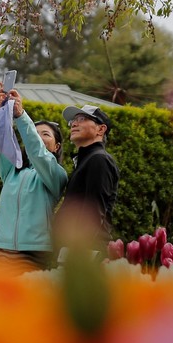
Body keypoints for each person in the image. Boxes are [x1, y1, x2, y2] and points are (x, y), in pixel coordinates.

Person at [0, 87, 68, 272]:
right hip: (0, 251)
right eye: (35, 133)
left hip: (33, 253)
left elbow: (38, 153)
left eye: (45, 134)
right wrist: (3, 113)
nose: (38, 138)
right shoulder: (11, 172)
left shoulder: (56, 175)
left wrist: (21, 116)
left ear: (56, 146)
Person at [59, 104, 119, 244]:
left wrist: (77, 253)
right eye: (73, 121)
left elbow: (93, 213)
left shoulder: (99, 159)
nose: (74, 123)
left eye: (82, 119)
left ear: (101, 129)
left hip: (87, 252)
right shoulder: (87, 160)